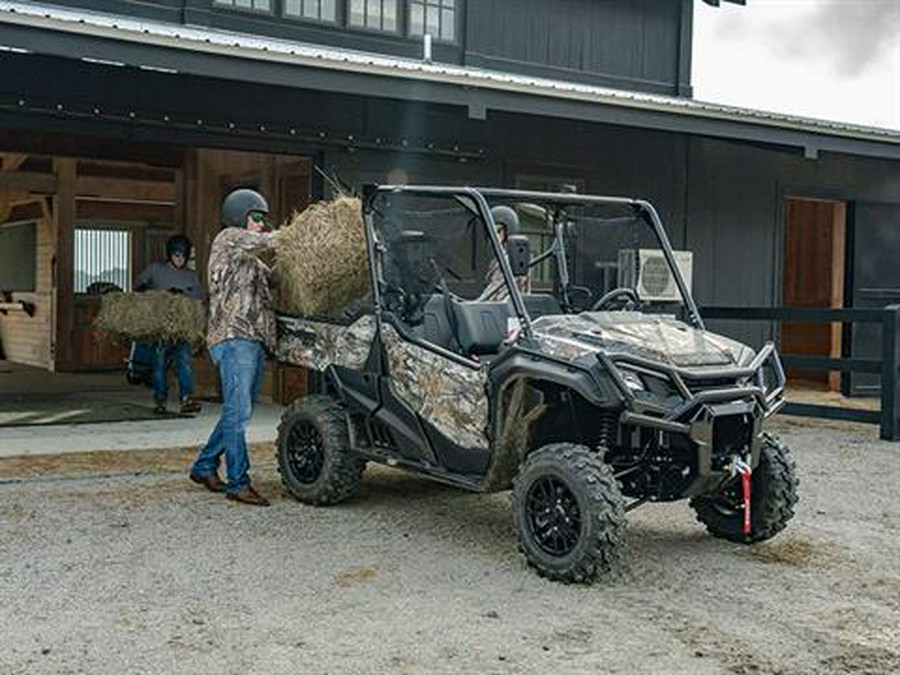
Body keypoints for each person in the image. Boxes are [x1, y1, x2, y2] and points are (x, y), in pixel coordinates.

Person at [188, 188, 277, 506]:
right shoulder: (228, 238)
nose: (261, 224)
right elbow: (270, 242)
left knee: (238, 412)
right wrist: (306, 235)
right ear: (240, 216)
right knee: (239, 414)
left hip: (250, 341)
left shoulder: (249, 260)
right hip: (234, 337)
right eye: (257, 217)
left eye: (264, 219)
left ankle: (204, 465)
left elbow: (274, 279)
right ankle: (238, 482)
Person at [134, 234, 203, 415]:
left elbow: (198, 298)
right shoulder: (155, 270)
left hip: (181, 327)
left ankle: (186, 398)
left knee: (184, 362)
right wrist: (153, 293)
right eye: (176, 255)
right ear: (170, 254)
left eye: (183, 256)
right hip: (161, 326)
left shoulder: (190, 276)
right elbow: (138, 284)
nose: (180, 260)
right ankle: (160, 399)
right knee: (159, 363)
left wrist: (183, 295)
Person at [483, 205, 531, 300]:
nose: (494, 236)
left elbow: (496, 294)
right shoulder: (497, 258)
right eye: (491, 231)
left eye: (498, 231)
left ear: (509, 230)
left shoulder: (512, 258)